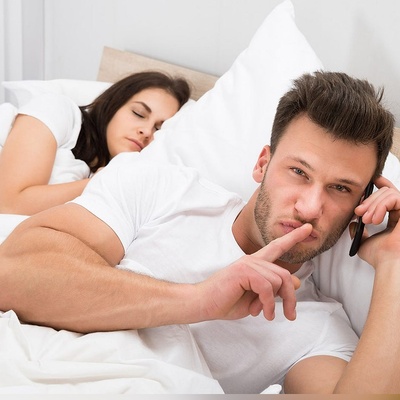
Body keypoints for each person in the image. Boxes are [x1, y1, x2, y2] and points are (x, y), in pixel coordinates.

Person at [0, 71, 399, 394]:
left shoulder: (316, 328)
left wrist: (395, 260)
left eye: (340, 188)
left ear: (361, 203)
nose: (310, 207)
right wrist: (199, 300)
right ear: (263, 164)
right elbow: (12, 274)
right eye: (298, 172)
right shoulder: (160, 188)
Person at [0, 71, 191, 215]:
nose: (147, 131)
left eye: (158, 128)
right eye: (138, 114)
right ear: (114, 104)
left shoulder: (127, 180)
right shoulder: (57, 110)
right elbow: (8, 203)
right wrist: (100, 182)